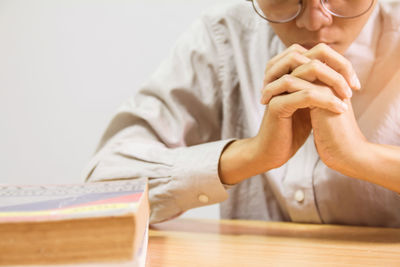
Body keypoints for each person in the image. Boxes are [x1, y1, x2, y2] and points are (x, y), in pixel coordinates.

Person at [82, 0, 400, 227]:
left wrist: (363, 157)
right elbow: (104, 185)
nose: (315, 20)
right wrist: (251, 154)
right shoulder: (223, 38)